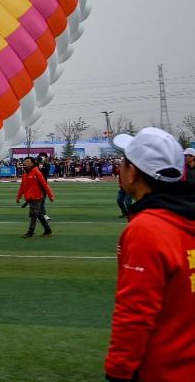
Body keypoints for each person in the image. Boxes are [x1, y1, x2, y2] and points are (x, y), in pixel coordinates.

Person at [104, 127, 195, 382]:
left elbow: (135, 313)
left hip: (162, 369)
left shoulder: (147, 229)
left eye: (123, 162)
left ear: (132, 173)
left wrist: (118, 372)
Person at [15, 156, 54, 237]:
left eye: (28, 161)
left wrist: (50, 196)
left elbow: (44, 184)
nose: (26, 162)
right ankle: (48, 230)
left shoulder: (37, 172)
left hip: (37, 197)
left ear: (33, 163)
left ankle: (30, 232)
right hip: (30, 198)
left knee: (33, 215)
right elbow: (22, 186)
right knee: (39, 215)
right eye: (25, 161)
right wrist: (18, 196)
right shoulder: (26, 174)